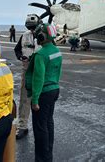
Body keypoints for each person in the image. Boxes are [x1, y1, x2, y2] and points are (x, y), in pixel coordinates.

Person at [26, 23, 63, 162]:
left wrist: (35, 99)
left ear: (42, 36)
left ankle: (42, 159)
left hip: (43, 93)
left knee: (40, 127)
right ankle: (48, 155)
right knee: (48, 123)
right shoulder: (57, 51)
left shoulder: (40, 54)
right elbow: (58, 72)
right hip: (54, 89)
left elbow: (38, 79)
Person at [14, 14, 40, 139]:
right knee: (24, 99)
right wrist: (20, 57)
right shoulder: (24, 35)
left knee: (40, 100)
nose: (32, 30)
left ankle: (40, 127)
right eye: (30, 27)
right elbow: (17, 49)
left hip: (40, 72)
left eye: (34, 27)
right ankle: (22, 126)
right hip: (26, 70)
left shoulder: (44, 36)